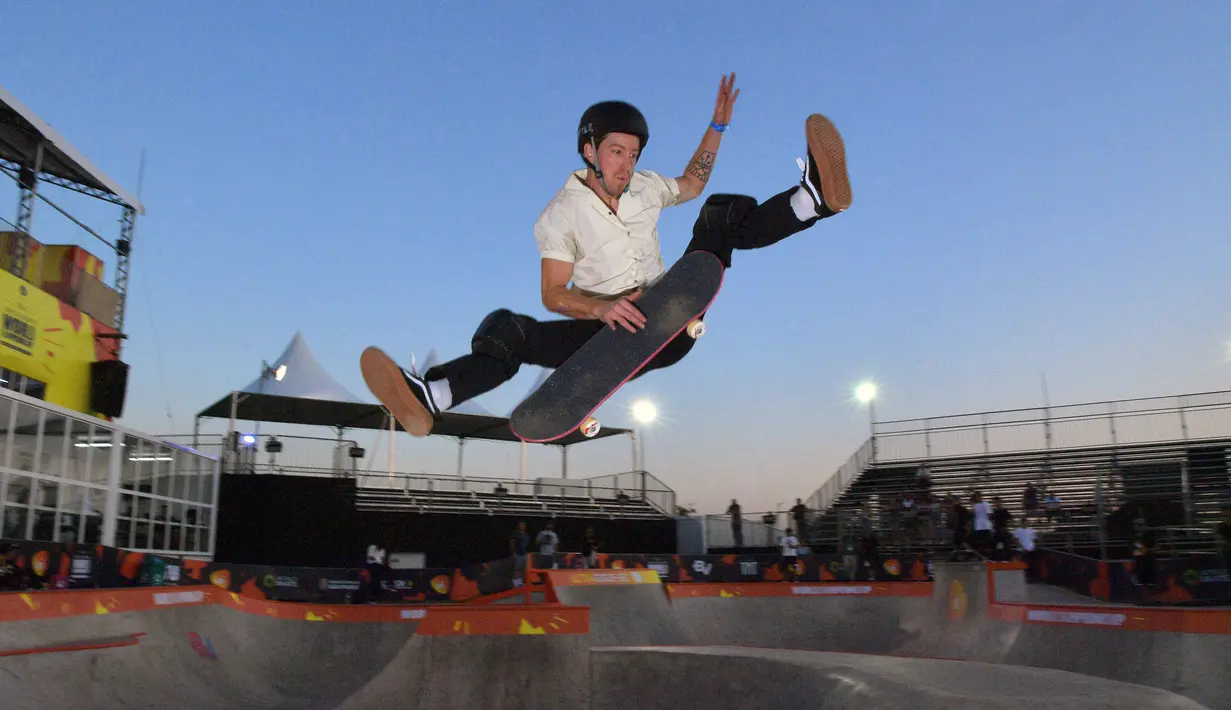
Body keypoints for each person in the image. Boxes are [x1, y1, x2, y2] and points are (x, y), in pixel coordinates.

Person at [361, 74, 853, 435]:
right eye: (617, 152)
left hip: (671, 314)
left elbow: (694, 180)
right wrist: (599, 307)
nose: (627, 165)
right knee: (506, 330)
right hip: (604, 327)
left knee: (718, 212)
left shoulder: (645, 187)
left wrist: (716, 127)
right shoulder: (561, 214)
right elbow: (553, 294)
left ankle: (812, 198)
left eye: (634, 154)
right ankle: (434, 395)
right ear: (589, 150)